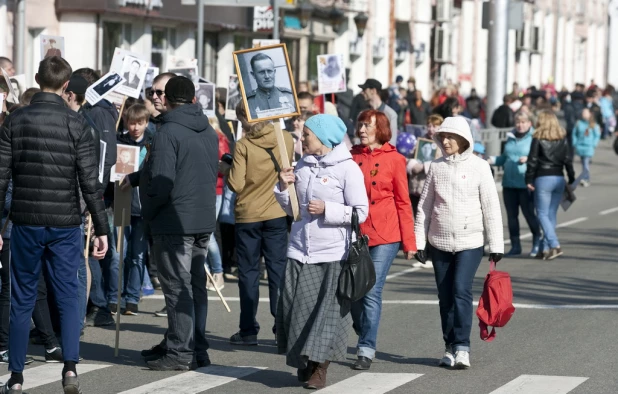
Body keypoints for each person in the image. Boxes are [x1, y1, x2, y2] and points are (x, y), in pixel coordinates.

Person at [0, 56, 109, 393]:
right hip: (65, 222)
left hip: (26, 221)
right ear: (66, 86)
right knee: (68, 294)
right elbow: (90, 184)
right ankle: (71, 368)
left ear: (37, 78)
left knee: (22, 296)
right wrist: (102, 229)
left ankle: (16, 376)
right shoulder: (77, 125)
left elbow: (1, 177)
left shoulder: (15, 121)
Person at [274, 114, 369, 389]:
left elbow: (360, 212)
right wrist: (283, 186)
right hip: (299, 249)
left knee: (326, 314)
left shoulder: (347, 169)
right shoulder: (301, 165)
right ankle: (304, 359)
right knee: (293, 308)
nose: (301, 139)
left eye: (307, 135)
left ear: (324, 138)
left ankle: (319, 369)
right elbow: (291, 209)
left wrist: (328, 209)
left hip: (332, 253)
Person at [138, 76, 218, 371]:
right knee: (194, 287)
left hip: (174, 220)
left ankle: (180, 352)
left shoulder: (168, 131)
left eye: (160, 93)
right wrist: (136, 179)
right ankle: (195, 348)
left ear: (169, 98)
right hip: (201, 220)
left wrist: (149, 210)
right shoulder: (207, 129)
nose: (156, 98)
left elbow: (162, 181)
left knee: (178, 288)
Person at [414, 116, 504, 370]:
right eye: (443, 136)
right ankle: (449, 346)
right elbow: (425, 207)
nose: (445, 141)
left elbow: (491, 207)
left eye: (451, 136)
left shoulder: (480, 166)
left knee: (460, 290)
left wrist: (496, 243)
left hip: (470, 241)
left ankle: (463, 347)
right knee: (445, 298)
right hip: (439, 241)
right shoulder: (436, 167)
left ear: (464, 139)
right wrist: (419, 241)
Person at [349, 109, 416, 370]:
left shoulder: (395, 159)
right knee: (354, 292)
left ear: (381, 129)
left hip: (386, 234)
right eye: (360, 124)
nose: (362, 130)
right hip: (355, 232)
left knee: (371, 290)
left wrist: (410, 242)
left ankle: (366, 348)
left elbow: (403, 202)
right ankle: (363, 325)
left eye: (368, 126)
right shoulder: (351, 156)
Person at [226, 104, 294, 346]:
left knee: (248, 274)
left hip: (249, 215)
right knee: (277, 272)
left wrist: (228, 167)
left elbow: (236, 184)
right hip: (277, 211)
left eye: (240, 118)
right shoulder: (285, 138)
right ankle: (282, 327)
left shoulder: (244, 144)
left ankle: (248, 329)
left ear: (246, 118)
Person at [488, 111, 541, 257]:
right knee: (511, 217)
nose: (520, 125)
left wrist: (529, 159)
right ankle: (515, 245)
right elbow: (505, 158)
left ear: (530, 123)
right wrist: (490, 160)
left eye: (523, 122)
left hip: (525, 183)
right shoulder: (510, 138)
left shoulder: (534, 137)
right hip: (508, 183)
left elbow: (540, 158)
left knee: (529, 214)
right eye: (518, 122)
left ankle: (538, 240)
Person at [116, 104, 152, 315]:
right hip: (122, 203)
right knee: (120, 254)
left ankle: (132, 298)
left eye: (140, 123)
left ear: (146, 123)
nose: (135, 127)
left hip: (143, 207)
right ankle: (118, 296)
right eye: (132, 123)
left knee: (138, 255)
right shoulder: (120, 142)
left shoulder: (152, 144)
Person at [525, 111, 575, 261]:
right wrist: (571, 177)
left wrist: (528, 179)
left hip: (543, 178)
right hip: (559, 177)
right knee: (551, 214)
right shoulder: (562, 138)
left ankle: (554, 244)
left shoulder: (538, 138)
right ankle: (545, 249)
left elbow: (532, 160)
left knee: (541, 213)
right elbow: (568, 159)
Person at [204, 116, 230, 292]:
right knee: (204, 233)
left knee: (207, 233)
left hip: (215, 190)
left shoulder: (219, 141)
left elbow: (224, 169)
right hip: (205, 189)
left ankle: (217, 272)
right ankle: (208, 273)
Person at [246, 53, 295, 119]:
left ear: (274, 72)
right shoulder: (247, 102)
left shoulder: (289, 96)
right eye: (262, 72)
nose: (267, 76)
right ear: (253, 75)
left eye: (269, 71)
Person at [358, 79, 398, 145]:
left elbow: (392, 142)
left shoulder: (390, 114)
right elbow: (358, 137)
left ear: (373, 91)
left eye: (364, 89)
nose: (362, 92)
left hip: (382, 154)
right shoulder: (363, 113)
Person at [572, 108, 600, 188]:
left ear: (590, 114)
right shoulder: (578, 123)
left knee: (586, 163)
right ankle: (585, 177)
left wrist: (594, 144)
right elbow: (574, 134)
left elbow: (597, 135)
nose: (584, 114)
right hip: (580, 146)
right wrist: (575, 143)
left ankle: (586, 178)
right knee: (583, 163)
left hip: (589, 147)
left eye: (585, 113)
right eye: (583, 113)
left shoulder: (593, 124)